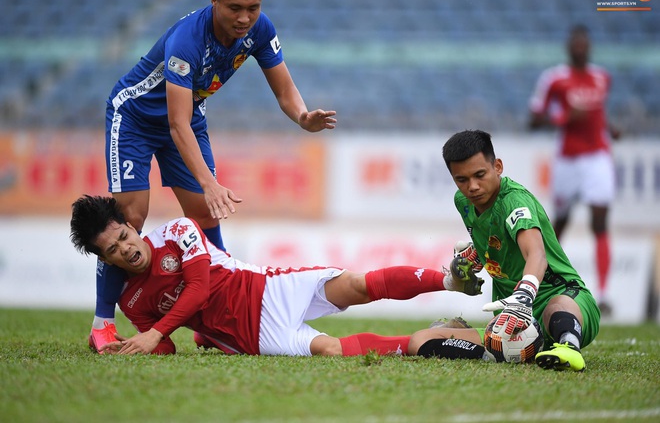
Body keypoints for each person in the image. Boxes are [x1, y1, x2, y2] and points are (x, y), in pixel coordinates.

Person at [90, 0, 337, 353]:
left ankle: (212, 319)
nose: (244, 17)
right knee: (130, 218)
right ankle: (103, 324)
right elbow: (176, 125)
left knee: (206, 214)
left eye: (253, 7)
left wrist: (302, 117)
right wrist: (209, 182)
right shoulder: (187, 43)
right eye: (234, 7)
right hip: (137, 118)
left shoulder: (260, 29)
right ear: (214, 1)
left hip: (189, 116)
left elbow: (285, 90)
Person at [70, 195, 485, 358]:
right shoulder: (130, 301)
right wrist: (133, 346)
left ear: (130, 225)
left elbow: (199, 289)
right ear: (105, 258)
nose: (125, 248)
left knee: (358, 286)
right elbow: (163, 351)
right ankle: (431, 339)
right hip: (253, 337)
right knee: (331, 352)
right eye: (112, 250)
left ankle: (449, 281)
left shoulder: (177, 232)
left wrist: (155, 332)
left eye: (123, 236)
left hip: (266, 285)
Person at [441, 129, 601, 372]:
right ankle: (496, 350)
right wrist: (476, 256)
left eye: (480, 175)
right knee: (428, 338)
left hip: (565, 300)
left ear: (498, 166)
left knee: (554, 309)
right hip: (512, 322)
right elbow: (496, 240)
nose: (472, 187)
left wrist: (524, 296)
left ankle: (568, 347)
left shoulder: (516, 201)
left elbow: (536, 254)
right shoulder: (462, 202)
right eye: (461, 180)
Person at [528, 24, 621, 316]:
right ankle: (544, 280)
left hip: (597, 158)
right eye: (576, 45)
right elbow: (533, 119)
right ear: (569, 48)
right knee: (560, 223)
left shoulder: (601, 77)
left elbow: (598, 113)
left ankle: (603, 294)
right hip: (567, 160)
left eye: (584, 44)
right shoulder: (554, 79)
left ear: (589, 47)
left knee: (600, 221)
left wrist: (610, 127)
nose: (580, 48)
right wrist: (564, 117)